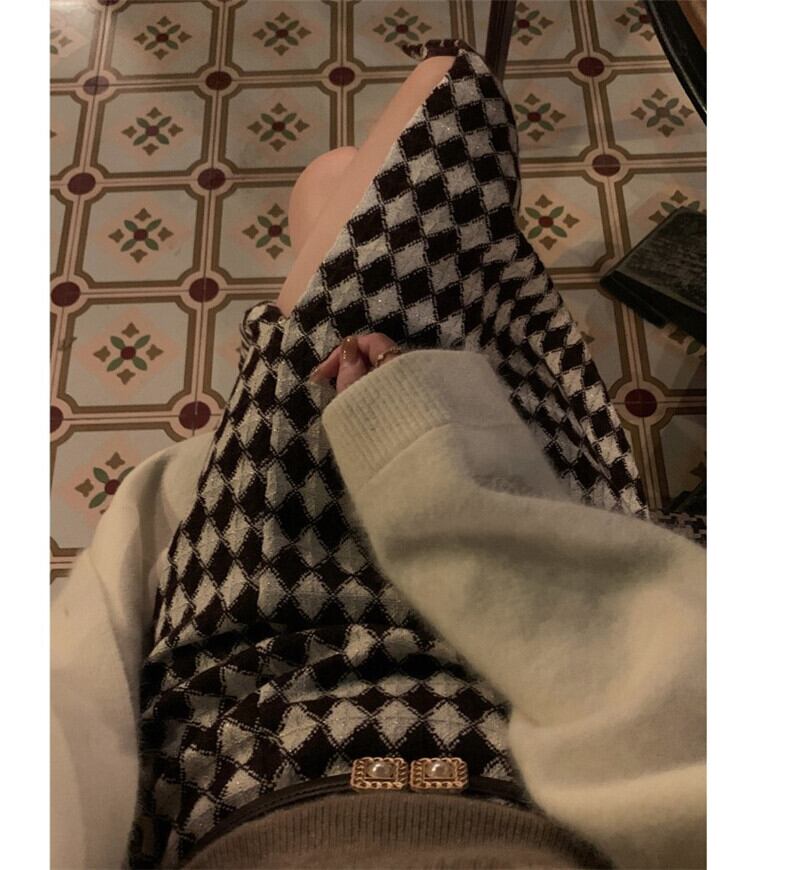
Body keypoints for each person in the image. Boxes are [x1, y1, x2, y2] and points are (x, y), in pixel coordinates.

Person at [51, 41, 705, 869]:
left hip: (251, 681)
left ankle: (298, 329)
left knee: (356, 173)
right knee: (396, 139)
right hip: (548, 682)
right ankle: (307, 326)